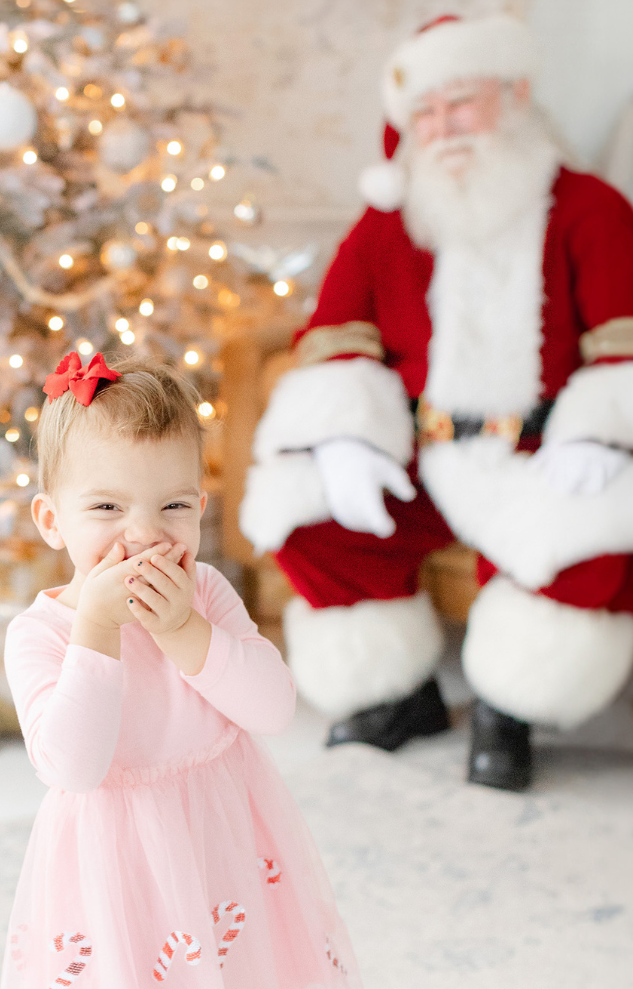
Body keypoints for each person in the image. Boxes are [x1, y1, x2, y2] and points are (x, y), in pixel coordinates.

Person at [241, 14, 633, 792]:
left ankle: (506, 706)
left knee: (594, 538)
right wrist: (346, 441)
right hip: (419, 458)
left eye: (461, 103)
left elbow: (626, 340)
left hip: (541, 457)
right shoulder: (390, 220)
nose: (443, 128)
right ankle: (399, 697)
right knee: (306, 515)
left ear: (514, 96)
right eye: (424, 113)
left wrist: (601, 433)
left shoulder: (589, 207)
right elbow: (333, 338)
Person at [0, 353, 365, 989]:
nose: (144, 535)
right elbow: (72, 765)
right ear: (51, 520)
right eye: (106, 508)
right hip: (114, 865)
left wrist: (182, 633)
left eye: (174, 507)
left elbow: (273, 707)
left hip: (212, 842)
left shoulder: (208, 594)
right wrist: (98, 633)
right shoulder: (41, 634)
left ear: (201, 506)